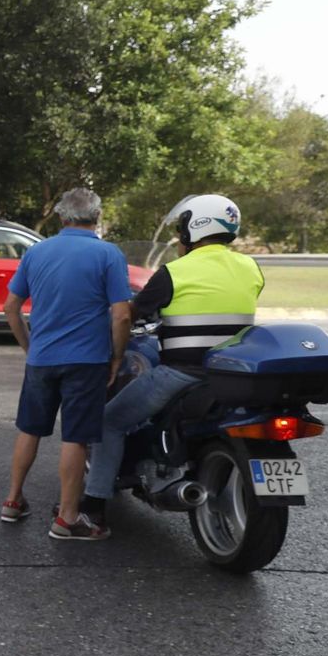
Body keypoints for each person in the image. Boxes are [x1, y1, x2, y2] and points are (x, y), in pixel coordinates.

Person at [81, 194, 263, 527]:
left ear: (195, 226)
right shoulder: (251, 267)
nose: (180, 235)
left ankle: (93, 506)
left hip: (183, 373)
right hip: (230, 374)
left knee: (109, 422)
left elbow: (134, 313)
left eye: (182, 227)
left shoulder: (174, 272)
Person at [0, 187, 131, 540]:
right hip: (87, 361)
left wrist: (30, 346)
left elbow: (11, 307)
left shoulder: (37, 252)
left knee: (30, 429)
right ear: (97, 217)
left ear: (61, 217)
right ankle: (67, 518)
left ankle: (12, 501)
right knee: (75, 438)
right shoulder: (109, 254)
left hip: (42, 358)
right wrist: (117, 357)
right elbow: (121, 316)